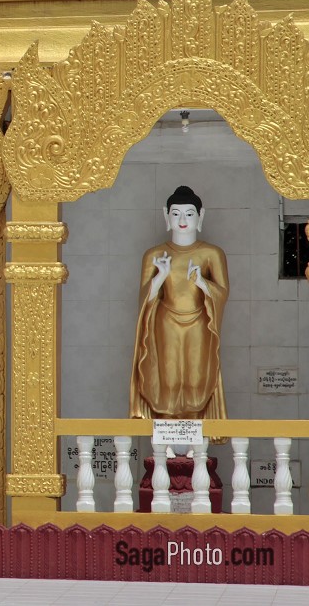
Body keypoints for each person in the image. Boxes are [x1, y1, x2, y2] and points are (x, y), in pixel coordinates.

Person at [129, 185, 229, 451]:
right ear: (166, 216)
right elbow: (143, 299)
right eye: (176, 214)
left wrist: (203, 284)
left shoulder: (212, 254)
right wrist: (160, 277)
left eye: (189, 214)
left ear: (200, 216)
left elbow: (222, 293)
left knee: (196, 380)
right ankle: (166, 445)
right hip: (165, 323)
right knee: (168, 379)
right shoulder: (154, 255)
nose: (182, 221)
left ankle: (195, 443)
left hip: (199, 323)